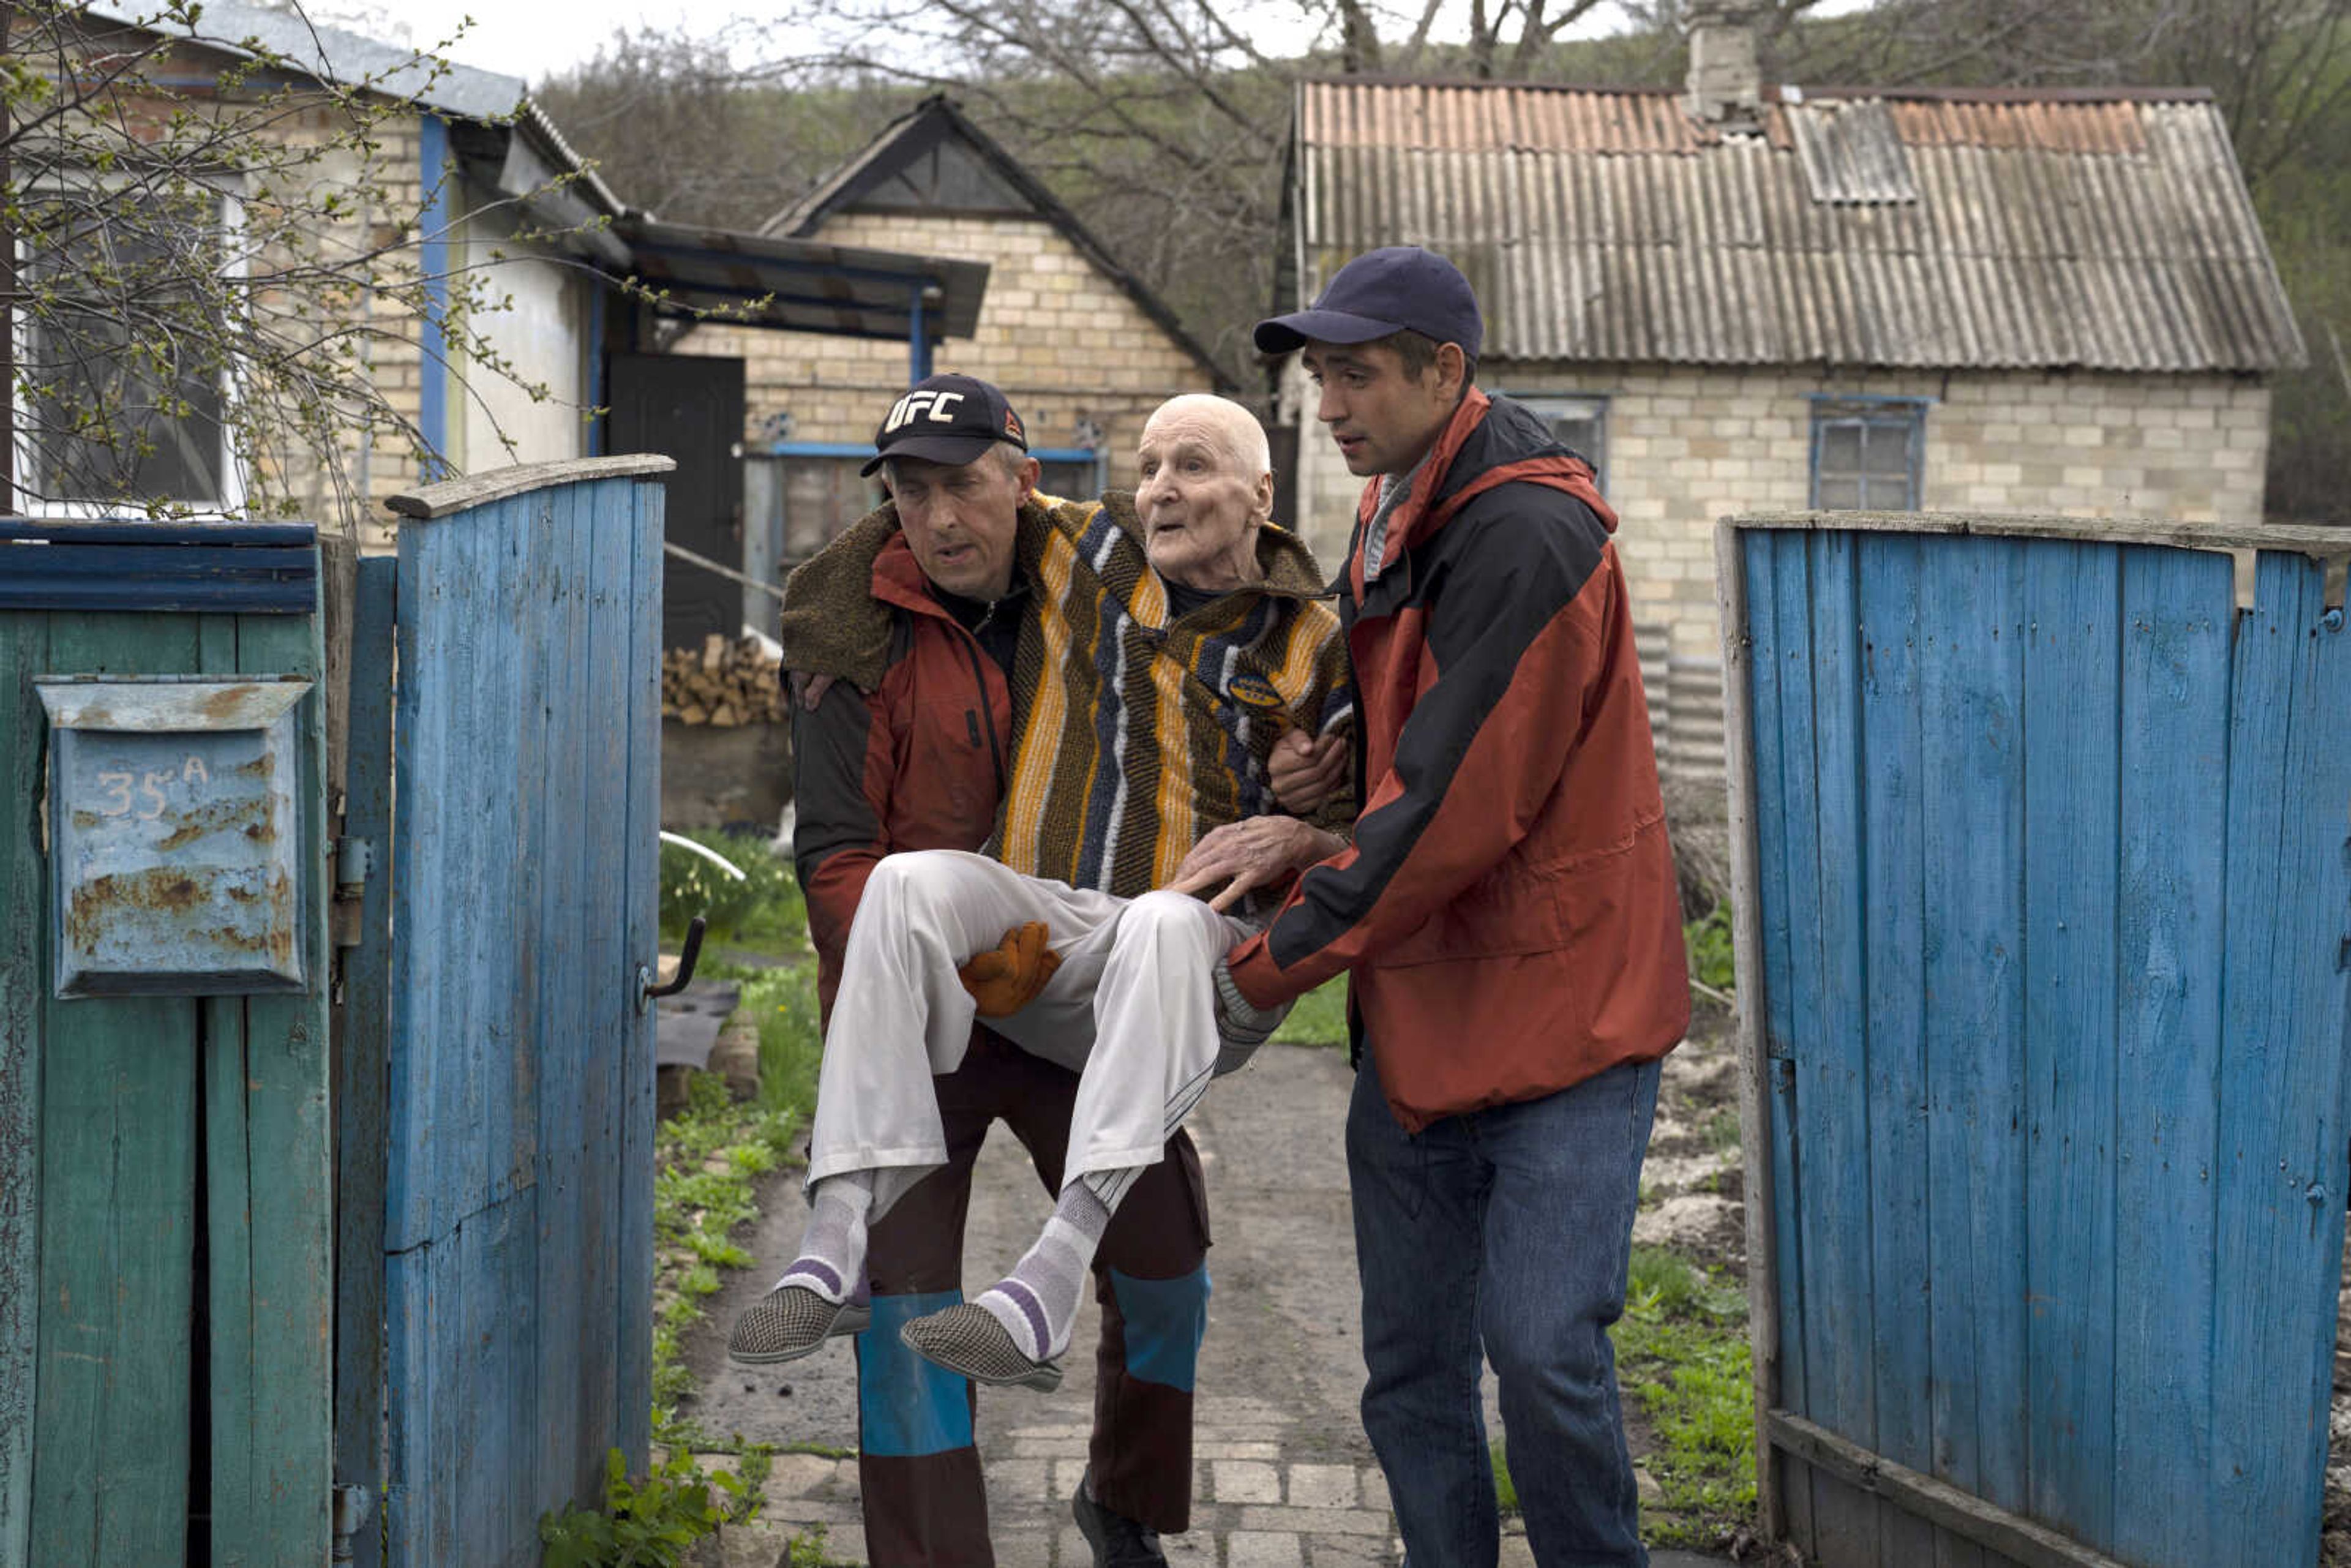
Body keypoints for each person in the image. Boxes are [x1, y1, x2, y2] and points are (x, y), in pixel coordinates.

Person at [1169, 246, 1690, 1568]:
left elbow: (1457, 806)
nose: (1328, 406)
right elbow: (1396, 733)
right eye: (1318, 378)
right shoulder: (1398, 504)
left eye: (1355, 376)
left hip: (1565, 1015)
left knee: (1543, 1352)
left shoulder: (1527, 529)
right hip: (1424, 1017)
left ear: (1443, 372)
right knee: (1409, 1371)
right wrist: (1317, 780)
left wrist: (1262, 967)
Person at [749, 392, 1351, 1397]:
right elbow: (920, 521)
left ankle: (1051, 1275)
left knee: (1162, 921)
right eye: (1149, 466)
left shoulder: (1318, 643)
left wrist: (1311, 824)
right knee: (906, 883)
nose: (1160, 488)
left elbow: (1394, 816)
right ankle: (835, 1227)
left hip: (1204, 962)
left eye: (1192, 467)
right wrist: (815, 614)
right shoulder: (1083, 546)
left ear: (1263, 493)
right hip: (1060, 934)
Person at [733, 373, 1221, 1568]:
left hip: (1069, 1008)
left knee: (1165, 1259)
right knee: (903, 1320)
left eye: (963, 485)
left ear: (1023, 480)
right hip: (918, 1025)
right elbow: (839, 858)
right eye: (910, 490)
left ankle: (1126, 1501)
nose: (939, 518)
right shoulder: (849, 628)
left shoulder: (1114, 603)